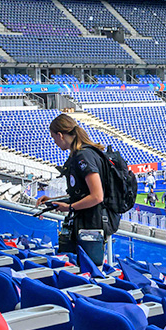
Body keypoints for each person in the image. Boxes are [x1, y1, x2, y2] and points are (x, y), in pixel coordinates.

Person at [47, 113, 113, 268]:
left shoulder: (84, 156)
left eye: (54, 138)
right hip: (85, 225)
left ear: (60, 135)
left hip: (91, 226)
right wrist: (54, 202)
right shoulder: (79, 155)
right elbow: (81, 194)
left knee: (89, 272)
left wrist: (69, 207)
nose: (54, 142)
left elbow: (97, 196)